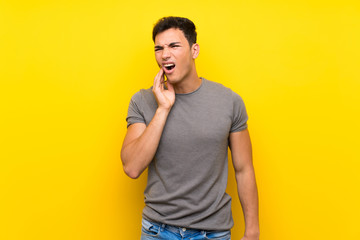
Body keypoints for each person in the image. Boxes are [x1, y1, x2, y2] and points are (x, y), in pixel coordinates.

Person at [121, 16, 259, 240]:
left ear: (194, 50)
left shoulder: (229, 101)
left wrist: (252, 230)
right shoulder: (143, 101)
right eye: (159, 48)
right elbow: (132, 168)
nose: (165, 54)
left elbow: (244, 169)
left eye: (174, 46)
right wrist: (162, 109)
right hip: (157, 231)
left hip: (212, 233)